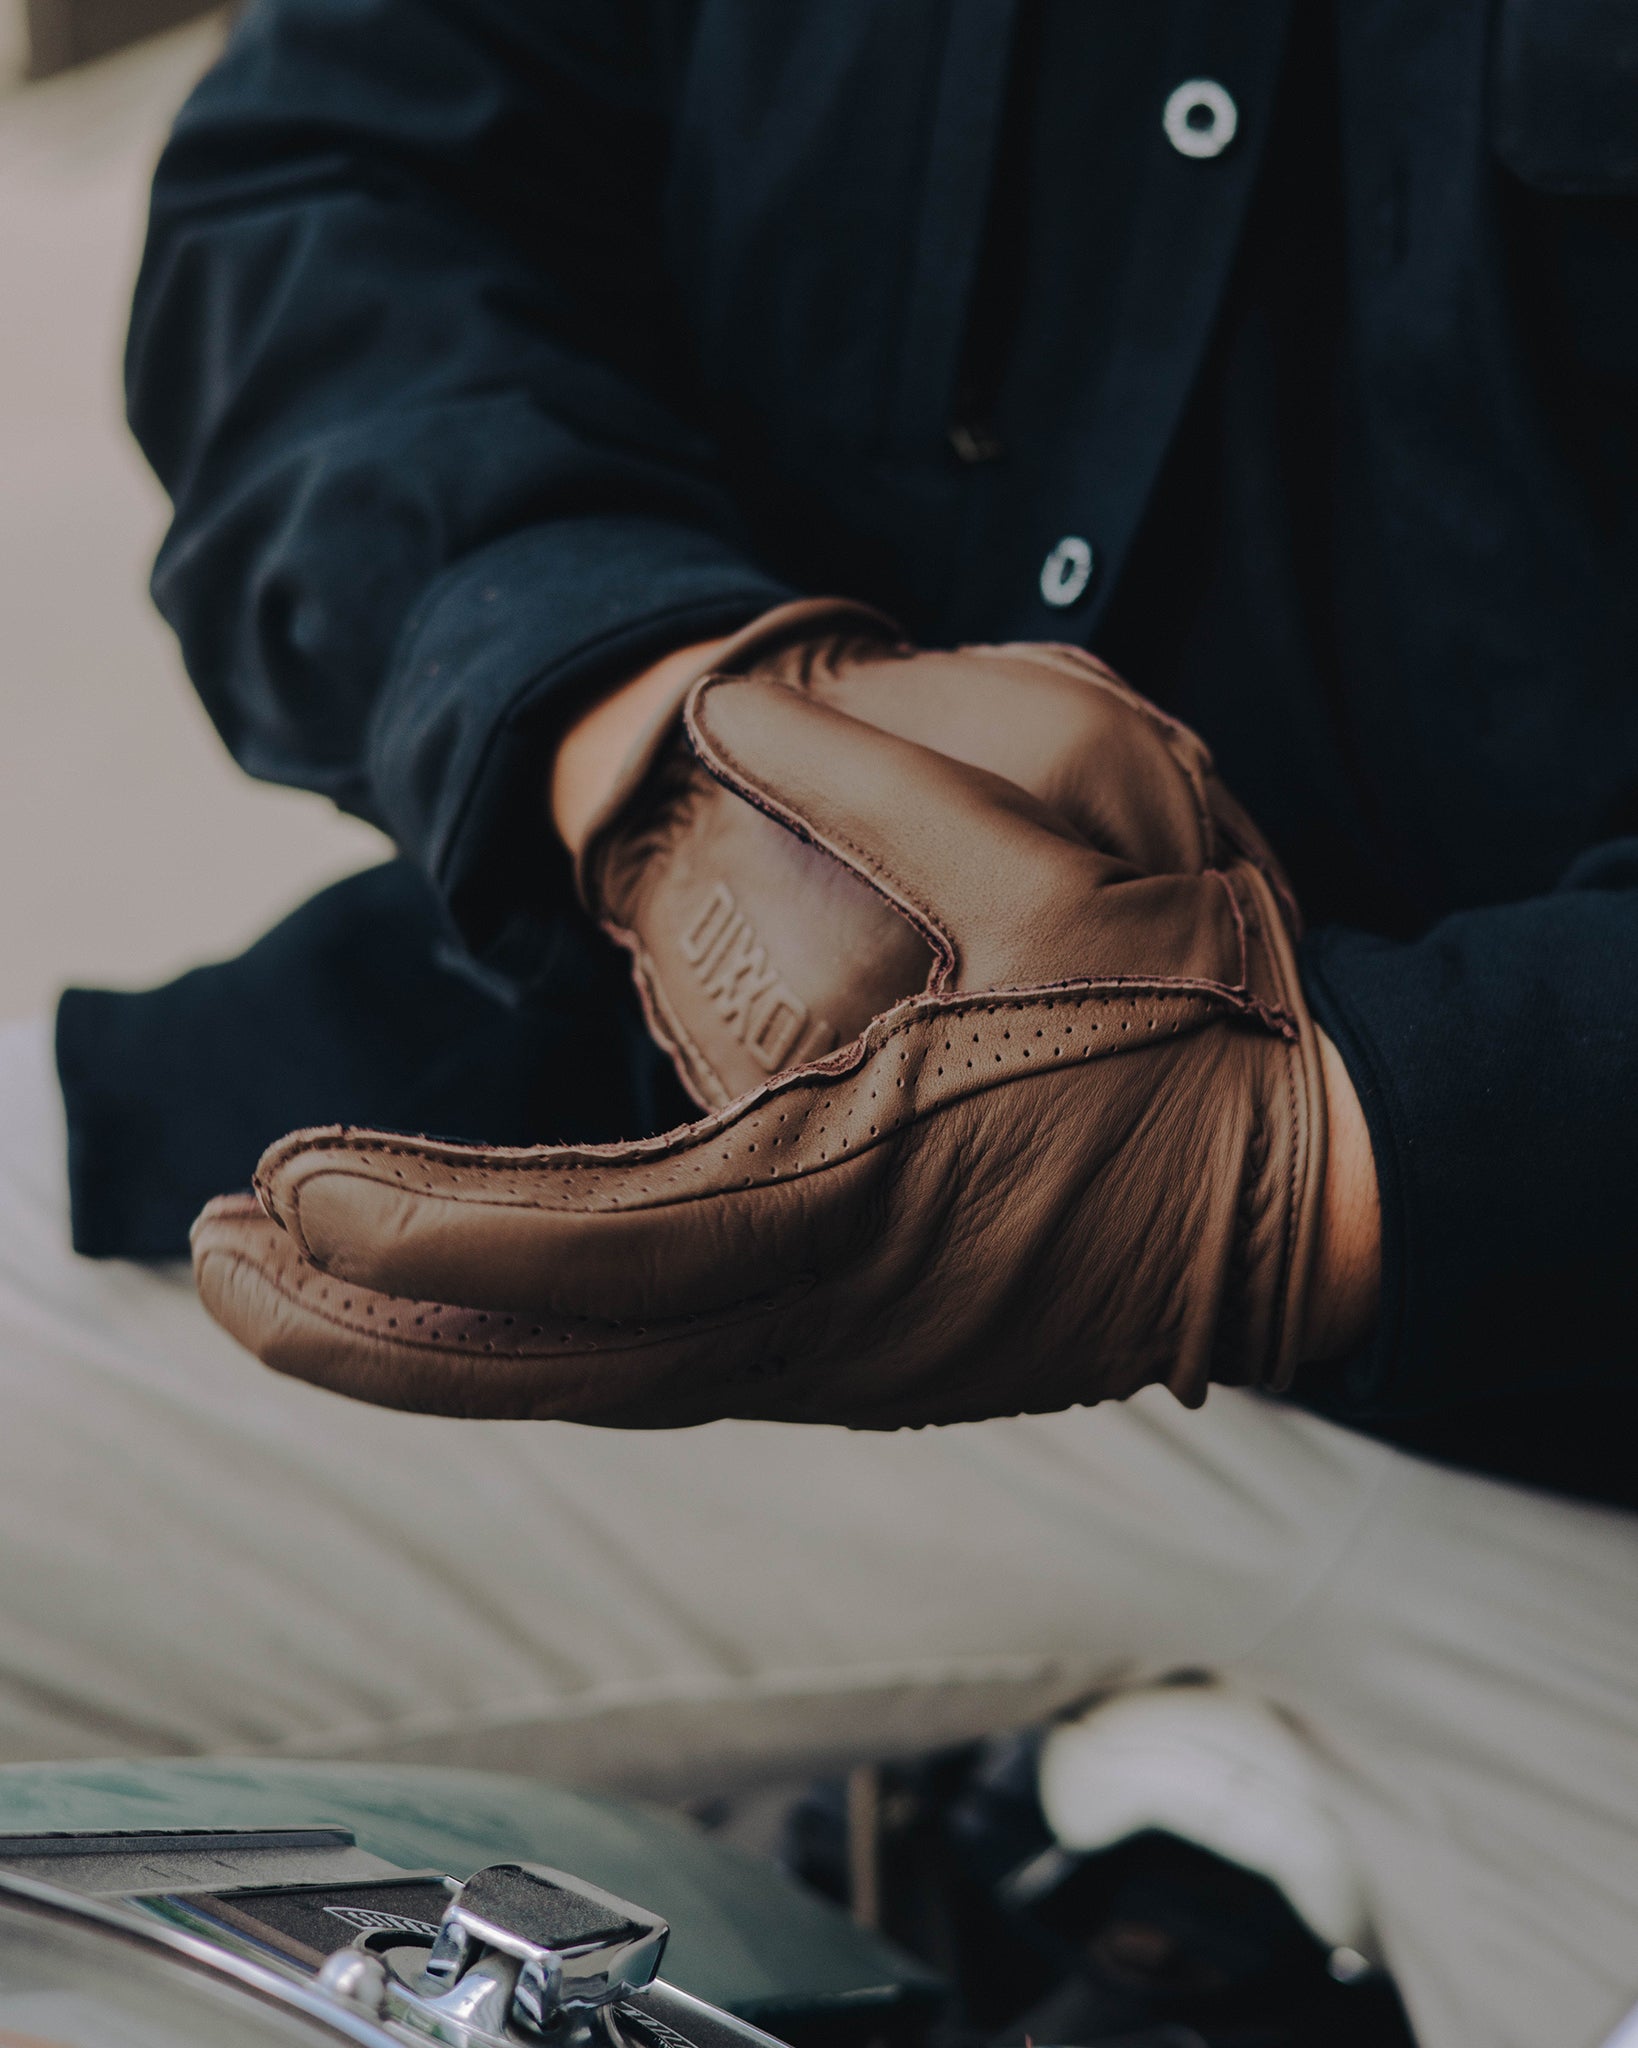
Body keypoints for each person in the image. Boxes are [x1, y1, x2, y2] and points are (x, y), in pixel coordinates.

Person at [4, 1, 1636, 2040]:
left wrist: (1332, 1163)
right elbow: (341, 158)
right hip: (663, 1147)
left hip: (1572, 1447)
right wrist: (649, 732)